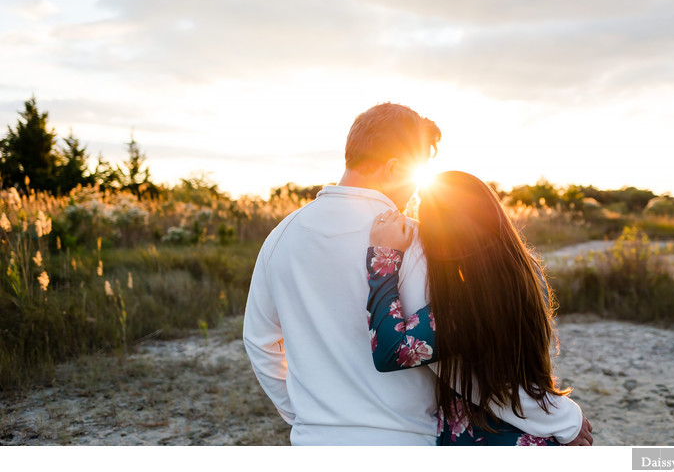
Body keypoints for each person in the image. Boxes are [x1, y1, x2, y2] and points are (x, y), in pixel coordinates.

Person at [243, 102, 590, 445]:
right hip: (405, 440)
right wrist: (559, 417)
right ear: (394, 168)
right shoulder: (417, 243)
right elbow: (462, 366)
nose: (415, 190)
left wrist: (307, 416)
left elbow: (260, 342)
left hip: (313, 442)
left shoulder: (280, 237)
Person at [366, 171, 593, 445]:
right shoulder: (526, 272)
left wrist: (384, 257)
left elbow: (391, 352)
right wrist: (563, 416)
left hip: (491, 437)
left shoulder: (466, 304)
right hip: (537, 433)